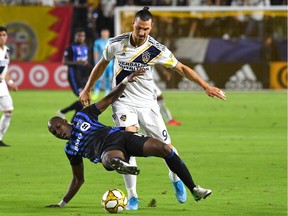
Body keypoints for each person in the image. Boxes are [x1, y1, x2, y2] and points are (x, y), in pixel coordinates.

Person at [79, 6, 226, 210]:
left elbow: (181, 68)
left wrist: (206, 86)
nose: (142, 33)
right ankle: (132, 196)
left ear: (151, 27)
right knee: (125, 144)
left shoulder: (156, 49)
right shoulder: (116, 43)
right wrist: (87, 88)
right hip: (123, 101)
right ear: (133, 24)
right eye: (139, 28)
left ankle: (175, 179)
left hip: (148, 104)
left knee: (168, 147)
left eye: (146, 29)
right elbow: (102, 64)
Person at [46, 70, 212, 208]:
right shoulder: (70, 149)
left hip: (122, 136)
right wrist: (62, 203)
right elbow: (78, 179)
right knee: (109, 158)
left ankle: (194, 189)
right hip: (107, 149)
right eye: (54, 132)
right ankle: (121, 166)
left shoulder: (83, 116)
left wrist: (125, 81)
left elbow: (109, 99)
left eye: (58, 127)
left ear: (66, 121)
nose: (57, 132)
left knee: (165, 149)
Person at [57, 28, 91, 120]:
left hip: (83, 76)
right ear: (75, 37)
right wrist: (77, 62)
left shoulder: (86, 47)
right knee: (82, 99)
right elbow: (64, 62)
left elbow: (86, 61)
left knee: (83, 101)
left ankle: (64, 113)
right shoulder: (70, 47)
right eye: (79, 35)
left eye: (82, 36)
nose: (81, 38)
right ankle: (70, 119)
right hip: (74, 76)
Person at [0, 26, 18, 147]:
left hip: (2, 85)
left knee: (8, 111)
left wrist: (11, 82)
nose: (2, 38)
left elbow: (5, 70)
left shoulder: (6, 50)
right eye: (0, 35)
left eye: (4, 35)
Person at [92, 28, 113, 100]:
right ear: (101, 33)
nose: (104, 34)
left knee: (109, 77)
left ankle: (107, 92)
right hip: (101, 63)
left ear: (108, 34)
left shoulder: (111, 41)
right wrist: (96, 62)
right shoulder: (97, 42)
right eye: (103, 33)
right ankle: (96, 91)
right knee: (99, 77)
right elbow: (96, 52)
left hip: (110, 63)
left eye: (105, 33)